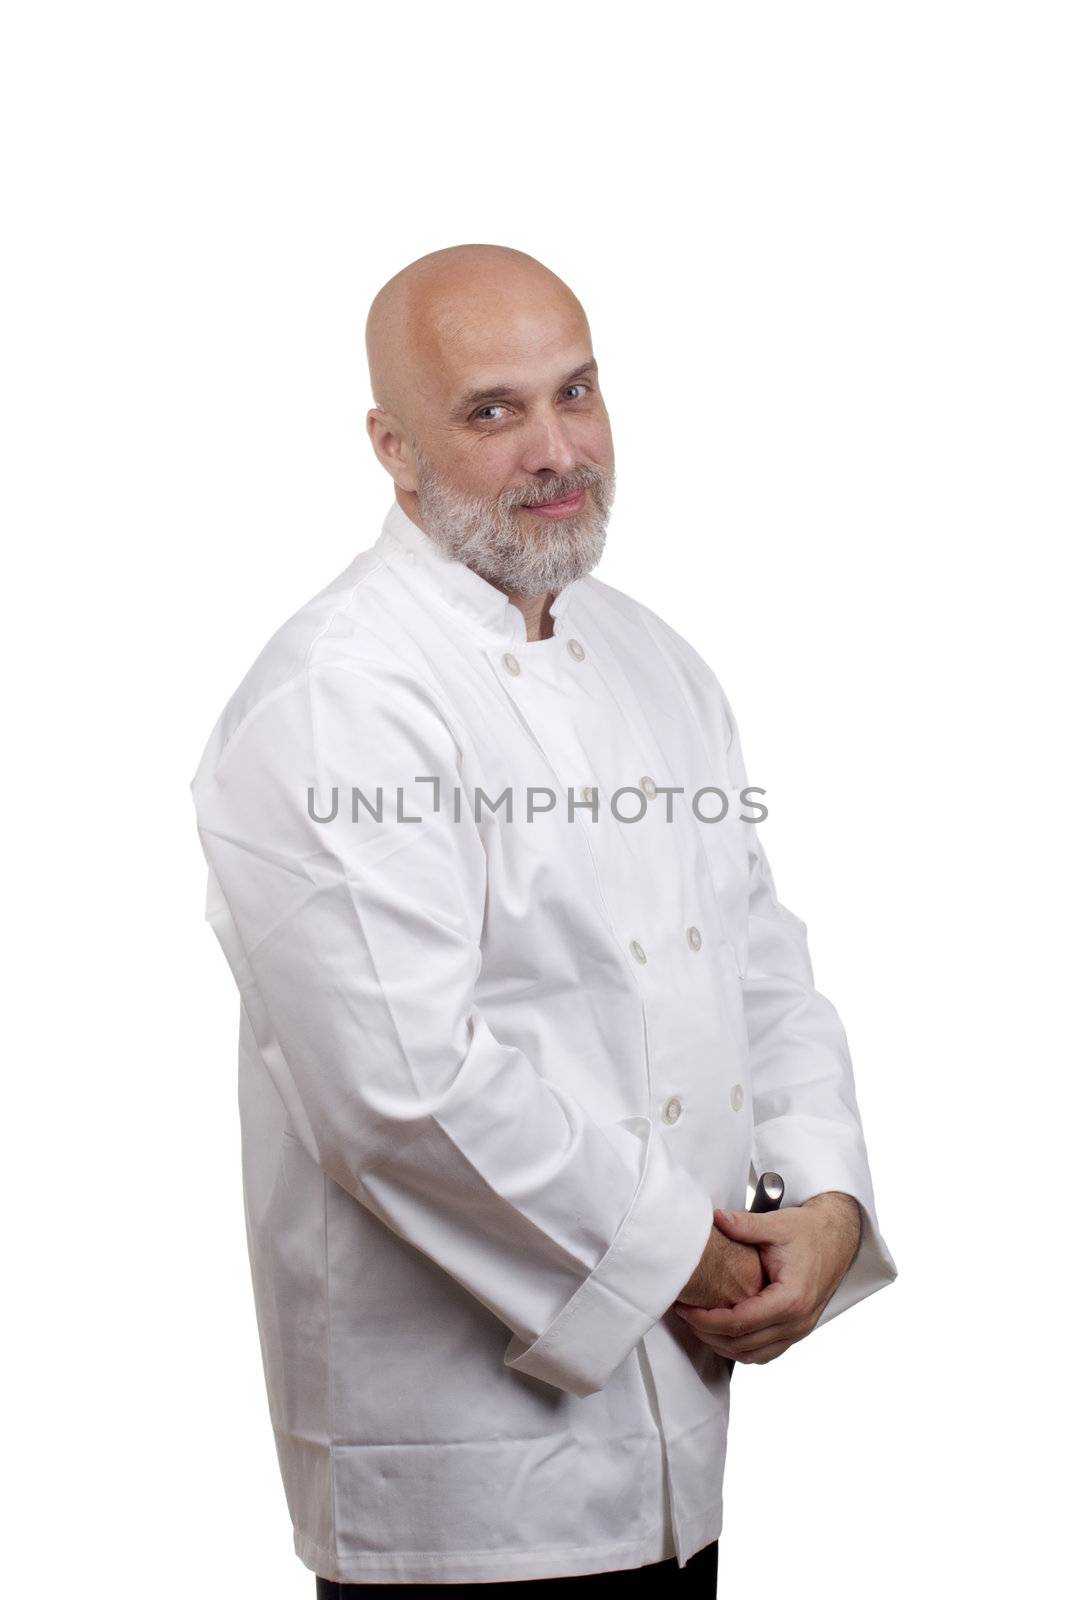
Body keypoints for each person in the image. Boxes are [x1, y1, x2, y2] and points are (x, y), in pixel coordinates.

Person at [190, 243, 897, 1593]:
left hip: (682, 1434)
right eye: (493, 411)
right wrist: (684, 1254)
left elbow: (761, 961)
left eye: (577, 393)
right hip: (461, 1478)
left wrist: (822, 1198)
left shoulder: (651, 657)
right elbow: (401, 1087)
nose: (558, 450)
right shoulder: (337, 694)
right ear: (392, 447)